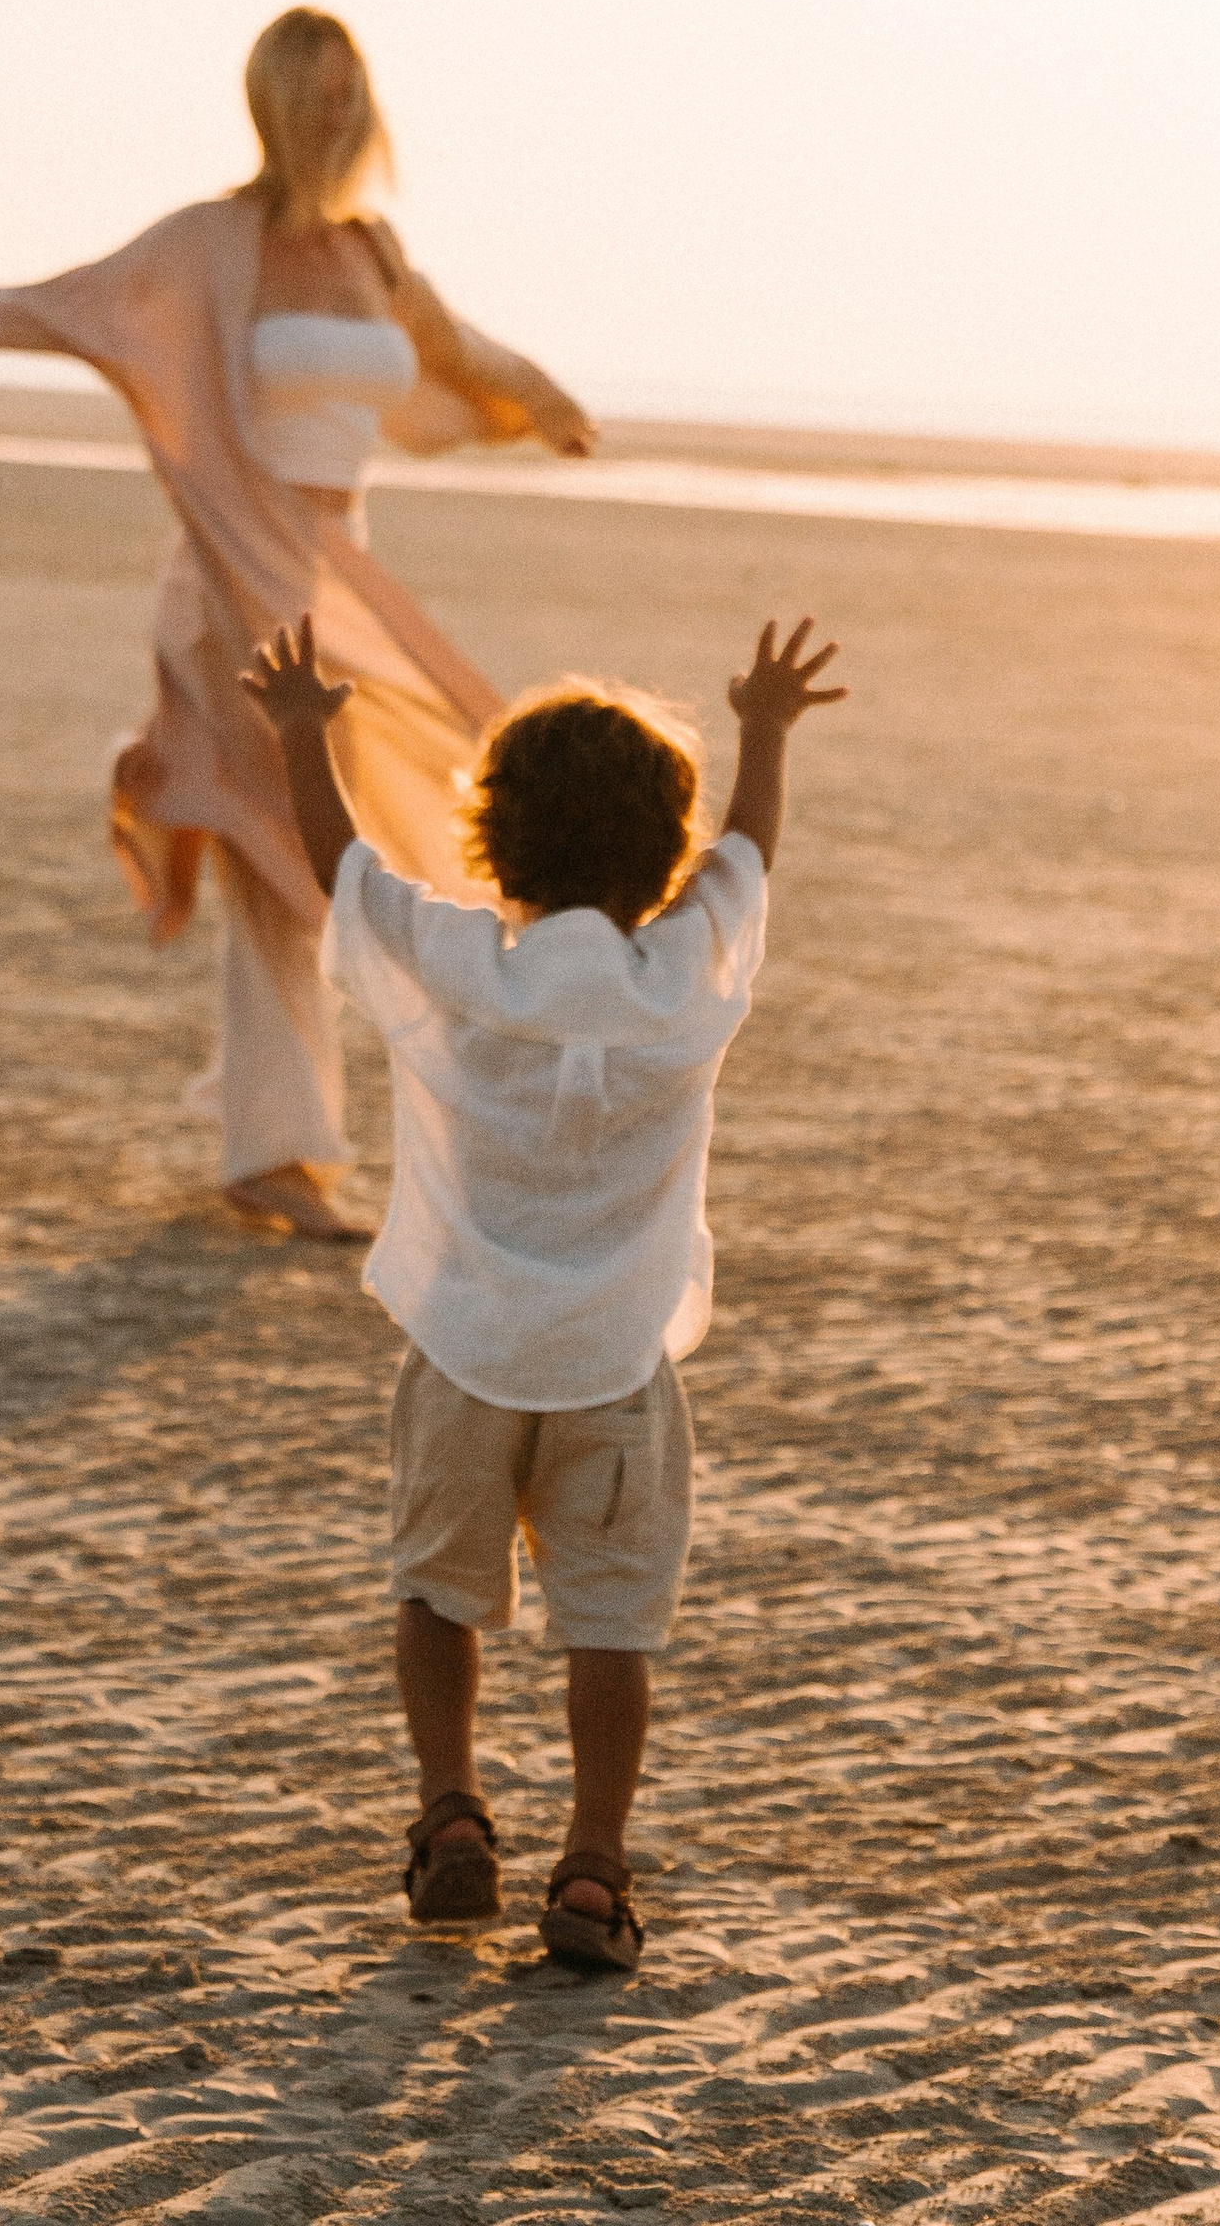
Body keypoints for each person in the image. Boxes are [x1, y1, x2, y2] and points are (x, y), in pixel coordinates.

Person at [0, 7, 595, 1239]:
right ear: (271, 103)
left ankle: (276, 1127)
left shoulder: (374, 253)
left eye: (350, 89)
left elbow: (458, 353)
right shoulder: (211, 242)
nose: (339, 111)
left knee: (347, 843)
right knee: (280, 846)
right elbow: (49, 308)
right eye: (315, 91)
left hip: (337, 576)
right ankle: (277, 1149)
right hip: (228, 578)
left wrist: (543, 403)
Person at [241, 604, 845, 1969]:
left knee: (434, 1594)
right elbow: (747, 863)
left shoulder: (463, 972)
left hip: (464, 1347)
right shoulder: (681, 980)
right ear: (660, 854)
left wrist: (299, 738)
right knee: (611, 1627)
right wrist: (761, 732)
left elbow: (347, 877)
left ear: (494, 838)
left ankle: (451, 1814)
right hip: (618, 1363)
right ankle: (590, 1870)